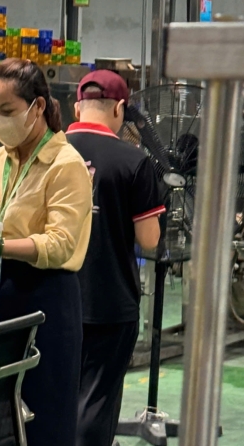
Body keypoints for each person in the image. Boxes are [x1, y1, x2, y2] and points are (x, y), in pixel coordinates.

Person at [0, 58, 93, 446]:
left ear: (37, 107)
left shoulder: (66, 165)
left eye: (7, 111)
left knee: (42, 421)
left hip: (46, 302)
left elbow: (60, 244)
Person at [66, 70, 165, 446]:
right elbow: (149, 239)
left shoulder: (50, 152)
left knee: (55, 397)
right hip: (109, 302)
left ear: (77, 107)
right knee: (96, 403)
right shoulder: (133, 161)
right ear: (120, 109)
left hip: (54, 299)